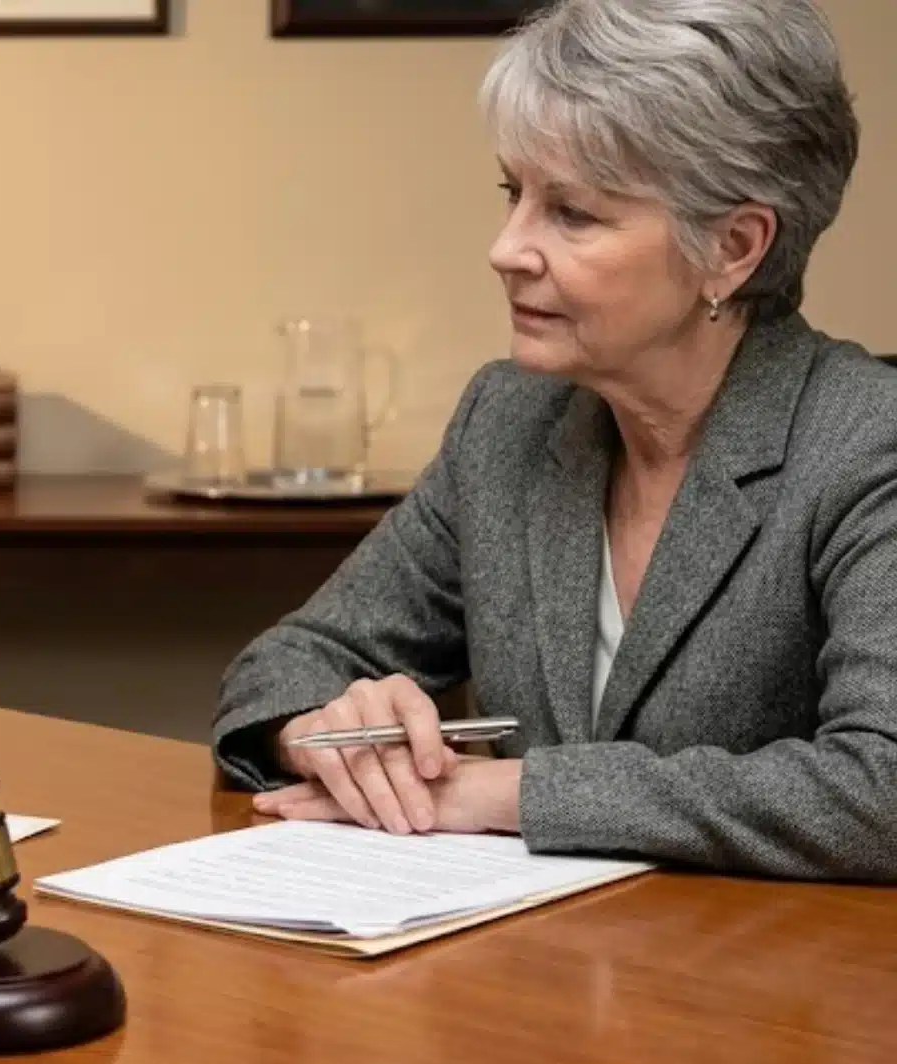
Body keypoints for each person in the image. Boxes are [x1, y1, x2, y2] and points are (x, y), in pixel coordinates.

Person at [212, 0, 897, 881]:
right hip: (537, 951)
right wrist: (324, 732)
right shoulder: (509, 419)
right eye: (514, 195)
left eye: (571, 213)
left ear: (733, 247)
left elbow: (881, 787)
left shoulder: (867, 444)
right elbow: (288, 662)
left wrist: (511, 794)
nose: (506, 249)